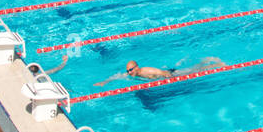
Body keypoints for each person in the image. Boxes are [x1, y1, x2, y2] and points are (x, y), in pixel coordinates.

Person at [95, 57, 226, 85]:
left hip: (172, 73)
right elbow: (116, 76)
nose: (129, 73)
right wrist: (104, 82)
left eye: (130, 70)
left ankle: (212, 62)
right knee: (193, 69)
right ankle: (206, 62)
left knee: (194, 70)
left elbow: (163, 73)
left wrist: (171, 80)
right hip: (164, 74)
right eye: (128, 71)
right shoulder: (131, 74)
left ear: (137, 68)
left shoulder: (147, 71)